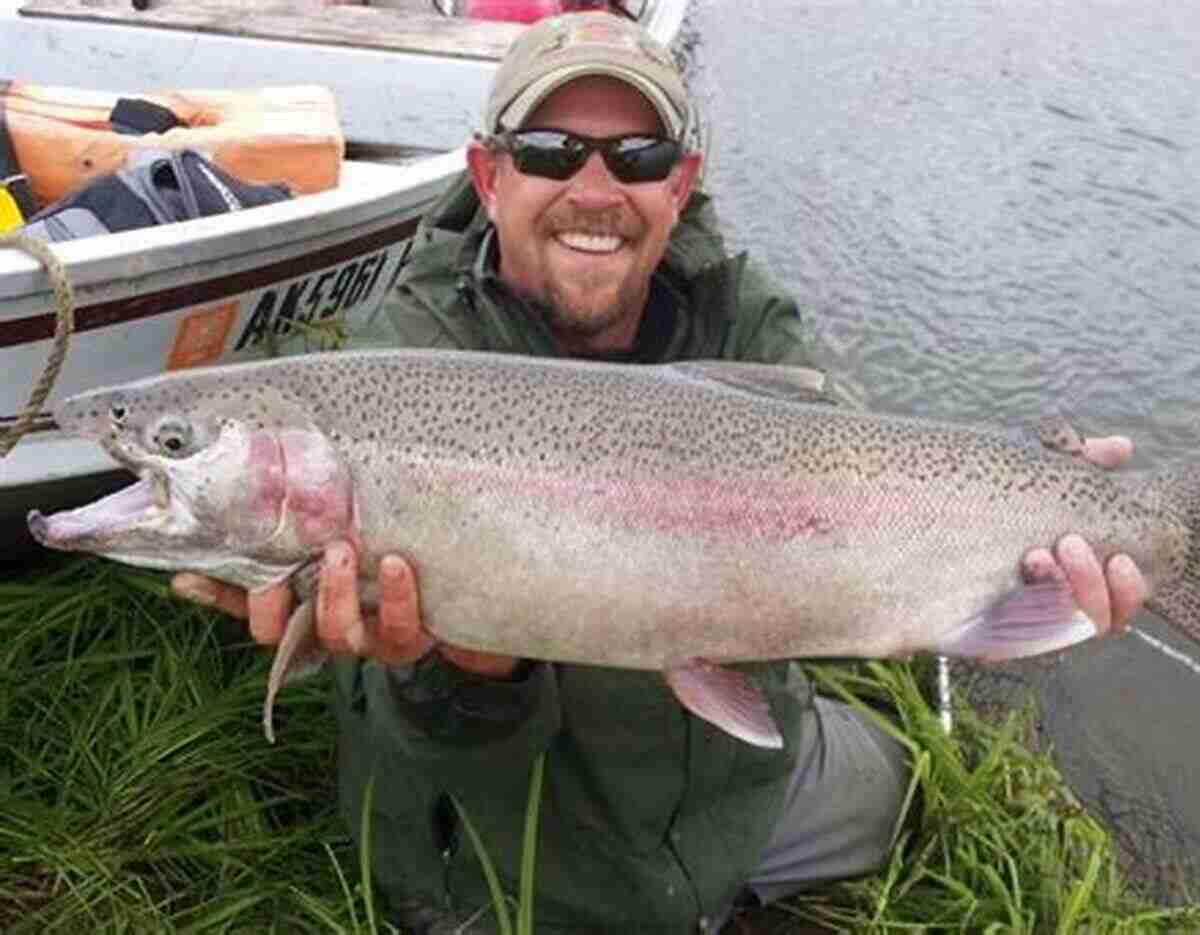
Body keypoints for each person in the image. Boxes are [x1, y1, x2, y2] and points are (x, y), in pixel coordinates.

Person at [172, 12, 1150, 933]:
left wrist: (1024, 523)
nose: (594, 191)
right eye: (552, 153)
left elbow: (868, 490)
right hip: (492, 817)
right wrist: (468, 661)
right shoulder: (393, 369)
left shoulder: (747, 317)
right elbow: (404, 719)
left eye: (634, 158)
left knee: (900, 791)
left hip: (717, 773)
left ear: (679, 185)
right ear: (486, 174)